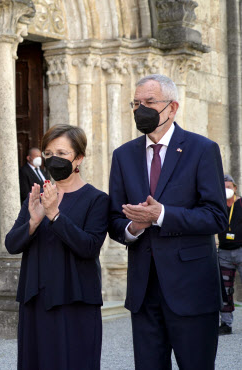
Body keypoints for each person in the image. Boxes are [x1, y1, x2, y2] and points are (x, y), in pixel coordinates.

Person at [108, 74, 227, 370]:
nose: (140, 109)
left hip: (192, 289)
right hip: (144, 291)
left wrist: (161, 215)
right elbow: (114, 220)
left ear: (172, 108)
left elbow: (216, 216)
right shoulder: (123, 156)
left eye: (149, 102)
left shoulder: (202, 149)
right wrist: (134, 227)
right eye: (136, 103)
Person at [5, 125, 109, 370]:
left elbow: (89, 247)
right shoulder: (37, 195)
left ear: (78, 158)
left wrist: (55, 215)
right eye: (49, 153)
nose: (54, 159)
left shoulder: (97, 199)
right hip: (36, 298)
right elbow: (11, 244)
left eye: (62, 153)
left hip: (75, 299)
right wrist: (34, 220)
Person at [218, 174, 242, 335]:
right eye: (223, 187)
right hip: (224, 252)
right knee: (224, 290)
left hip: (241, 250)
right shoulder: (217, 205)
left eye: (229, 186)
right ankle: (226, 324)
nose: (226, 189)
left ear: (234, 188)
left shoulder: (240, 204)